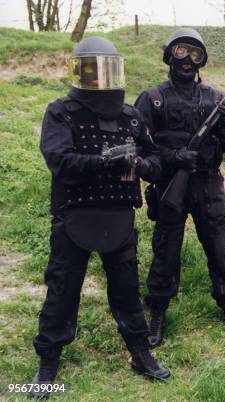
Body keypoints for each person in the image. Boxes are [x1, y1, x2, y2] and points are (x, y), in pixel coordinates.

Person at [31, 37, 170, 398]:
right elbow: (59, 161)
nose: (100, 77)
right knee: (62, 290)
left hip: (119, 217)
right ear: (79, 70)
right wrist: (106, 161)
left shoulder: (131, 116)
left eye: (106, 68)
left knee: (126, 290)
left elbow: (155, 163)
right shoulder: (61, 111)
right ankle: (48, 362)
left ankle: (140, 353)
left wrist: (139, 163)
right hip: (74, 216)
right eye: (92, 69)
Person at [135, 28, 225, 348]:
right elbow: (138, 148)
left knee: (219, 246)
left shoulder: (215, 99)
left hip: (208, 182)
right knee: (166, 249)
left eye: (195, 54)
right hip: (169, 184)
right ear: (169, 56)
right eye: (181, 52)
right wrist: (174, 157)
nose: (188, 60)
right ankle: (158, 311)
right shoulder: (152, 98)